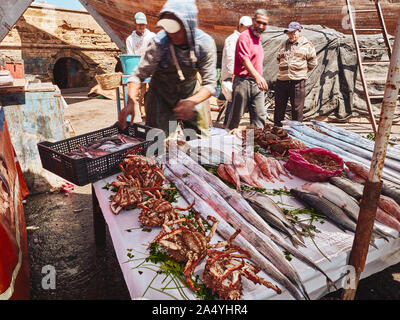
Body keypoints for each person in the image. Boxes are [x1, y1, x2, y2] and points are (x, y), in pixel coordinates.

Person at [118, 0, 217, 140]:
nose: (171, 34)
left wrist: (192, 101)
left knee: (201, 141)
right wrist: (131, 101)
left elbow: (210, 84)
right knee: (156, 143)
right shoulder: (159, 43)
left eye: (176, 28)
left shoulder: (204, 44)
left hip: (190, 93)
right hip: (160, 96)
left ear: (188, 26)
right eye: (168, 28)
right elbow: (137, 75)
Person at [226, 9, 269, 130]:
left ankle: (256, 145)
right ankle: (228, 142)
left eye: (264, 24)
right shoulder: (244, 37)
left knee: (260, 116)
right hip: (243, 82)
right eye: (258, 22)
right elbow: (245, 60)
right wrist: (258, 77)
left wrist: (258, 78)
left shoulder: (258, 39)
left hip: (256, 84)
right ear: (253, 21)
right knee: (235, 117)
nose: (261, 26)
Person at [274, 21, 317, 127]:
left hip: (297, 82)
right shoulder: (283, 45)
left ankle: (296, 133)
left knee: (297, 110)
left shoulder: (307, 45)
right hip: (282, 81)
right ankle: (277, 132)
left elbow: (313, 63)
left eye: (293, 33)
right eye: (289, 33)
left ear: (299, 31)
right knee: (279, 108)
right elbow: (278, 60)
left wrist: (300, 72)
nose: (291, 35)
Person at [220, 16, 253, 128]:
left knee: (235, 101)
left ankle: (229, 125)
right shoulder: (232, 39)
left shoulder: (244, 39)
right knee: (233, 101)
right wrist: (234, 74)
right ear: (239, 26)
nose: (247, 30)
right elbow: (230, 59)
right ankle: (227, 125)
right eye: (245, 27)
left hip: (239, 75)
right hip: (232, 75)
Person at [125, 12, 156, 121]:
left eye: (143, 24)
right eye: (139, 24)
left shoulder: (152, 36)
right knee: (141, 97)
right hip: (140, 70)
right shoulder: (130, 39)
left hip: (152, 69)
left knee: (155, 94)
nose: (141, 26)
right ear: (135, 24)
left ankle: (155, 117)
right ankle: (144, 118)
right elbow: (131, 57)